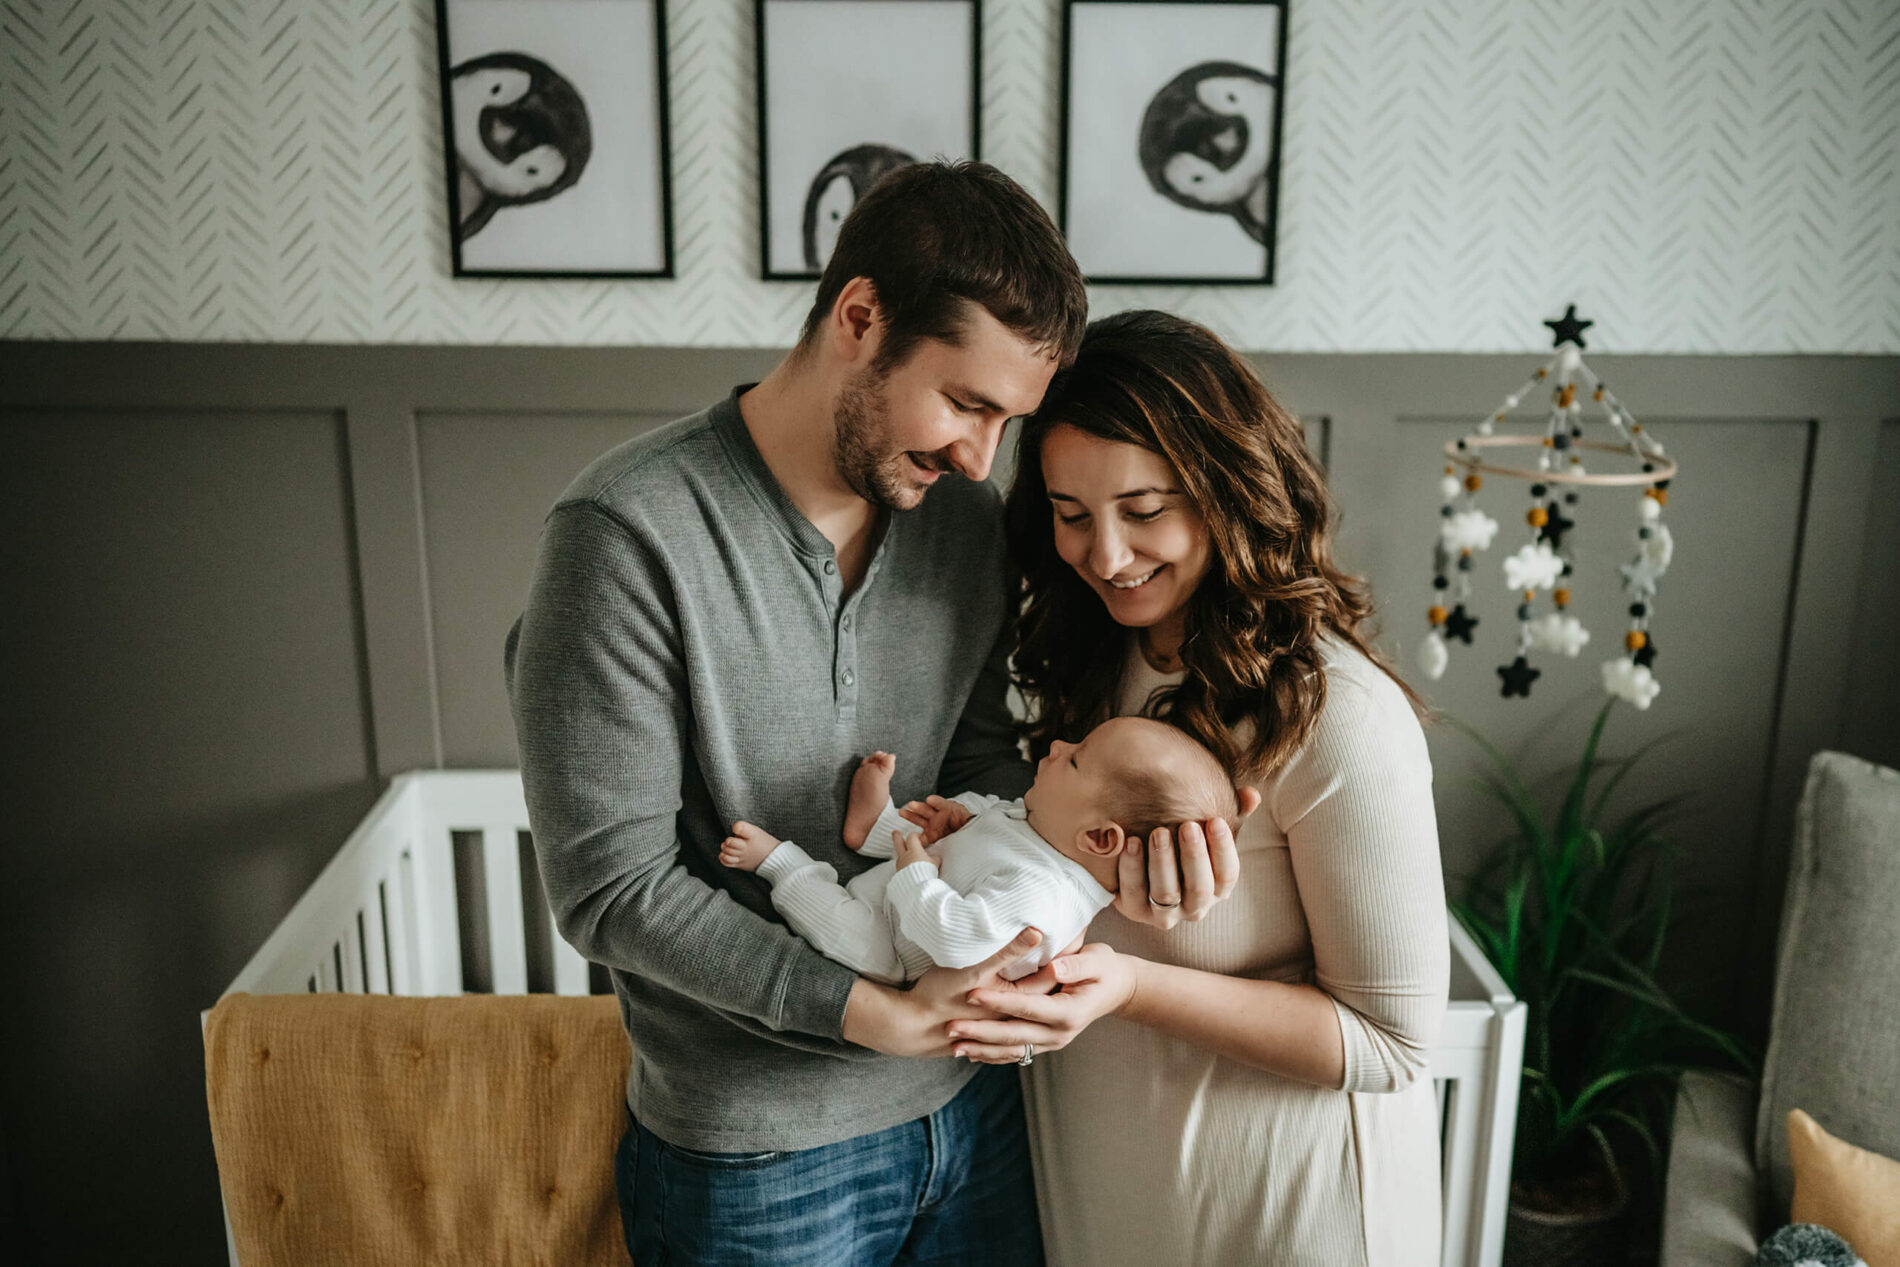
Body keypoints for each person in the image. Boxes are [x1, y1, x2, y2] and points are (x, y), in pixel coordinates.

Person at [504, 160, 1092, 1264]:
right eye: (966, 403)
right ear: (859, 318)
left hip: (976, 1115)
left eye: (1008, 420)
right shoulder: (624, 534)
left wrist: (1079, 869)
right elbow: (610, 890)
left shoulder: (959, 523)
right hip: (756, 1154)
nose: (981, 457)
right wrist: (872, 1012)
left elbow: (976, 765)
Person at [961, 309, 1450, 1265]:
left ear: (1228, 489)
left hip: (1286, 1213)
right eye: (1071, 514)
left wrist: (1134, 986)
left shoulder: (1338, 713)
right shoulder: (1100, 668)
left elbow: (1392, 1043)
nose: (1106, 554)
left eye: (1145, 511)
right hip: (1118, 1197)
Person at [719, 717, 1241, 985]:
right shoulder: (1038, 824)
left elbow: (957, 941)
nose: (1057, 747)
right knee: (952, 819)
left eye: (1076, 760)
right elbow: (964, 847)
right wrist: (955, 829)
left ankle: (780, 865)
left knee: (845, 929)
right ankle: (874, 828)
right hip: (917, 884)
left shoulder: (1044, 898)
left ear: (1100, 839)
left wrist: (921, 875)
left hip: (894, 947)